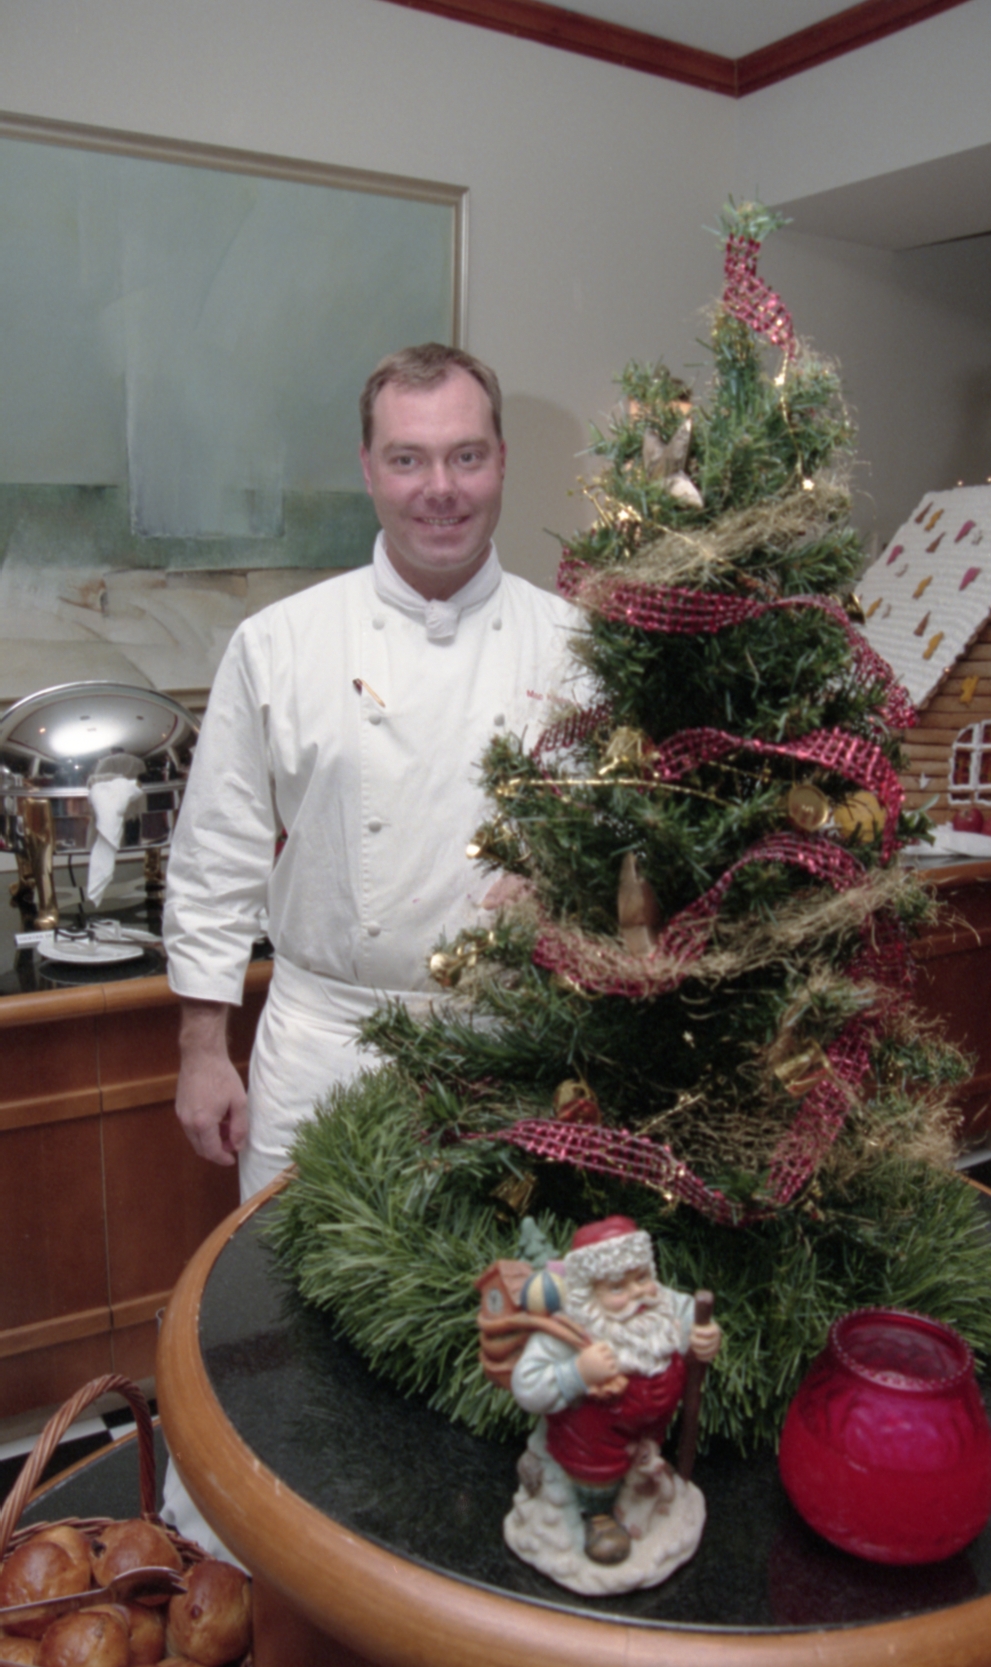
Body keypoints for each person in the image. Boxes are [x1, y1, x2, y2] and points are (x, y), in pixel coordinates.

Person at [163, 343, 578, 1200]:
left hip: (512, 1051)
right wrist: (202, 1051)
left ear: (501, 461)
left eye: (466, 456)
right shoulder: (279, 643)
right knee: (296, 1277)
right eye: (407, 459)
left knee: (505, 1280)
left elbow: (637, 855)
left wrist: (566, 888)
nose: (440, 488)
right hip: (323, 1049)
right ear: (367, 468)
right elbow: (215, 859)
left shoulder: (578, 648)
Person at [510, 1216, 721, 1566]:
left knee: (643, 1459)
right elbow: (527, 1385)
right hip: (591, 1442)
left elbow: (691, 1318)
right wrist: (578, 1372)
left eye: (641, 1278)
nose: (637, 1292)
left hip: (648, 1429)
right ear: (588, 1294)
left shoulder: (661, 1305)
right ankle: (596, 1514)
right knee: (595, 1468)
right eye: (617, 1288)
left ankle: (640, 1483)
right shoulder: (568, 1331)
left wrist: (705, 1335)